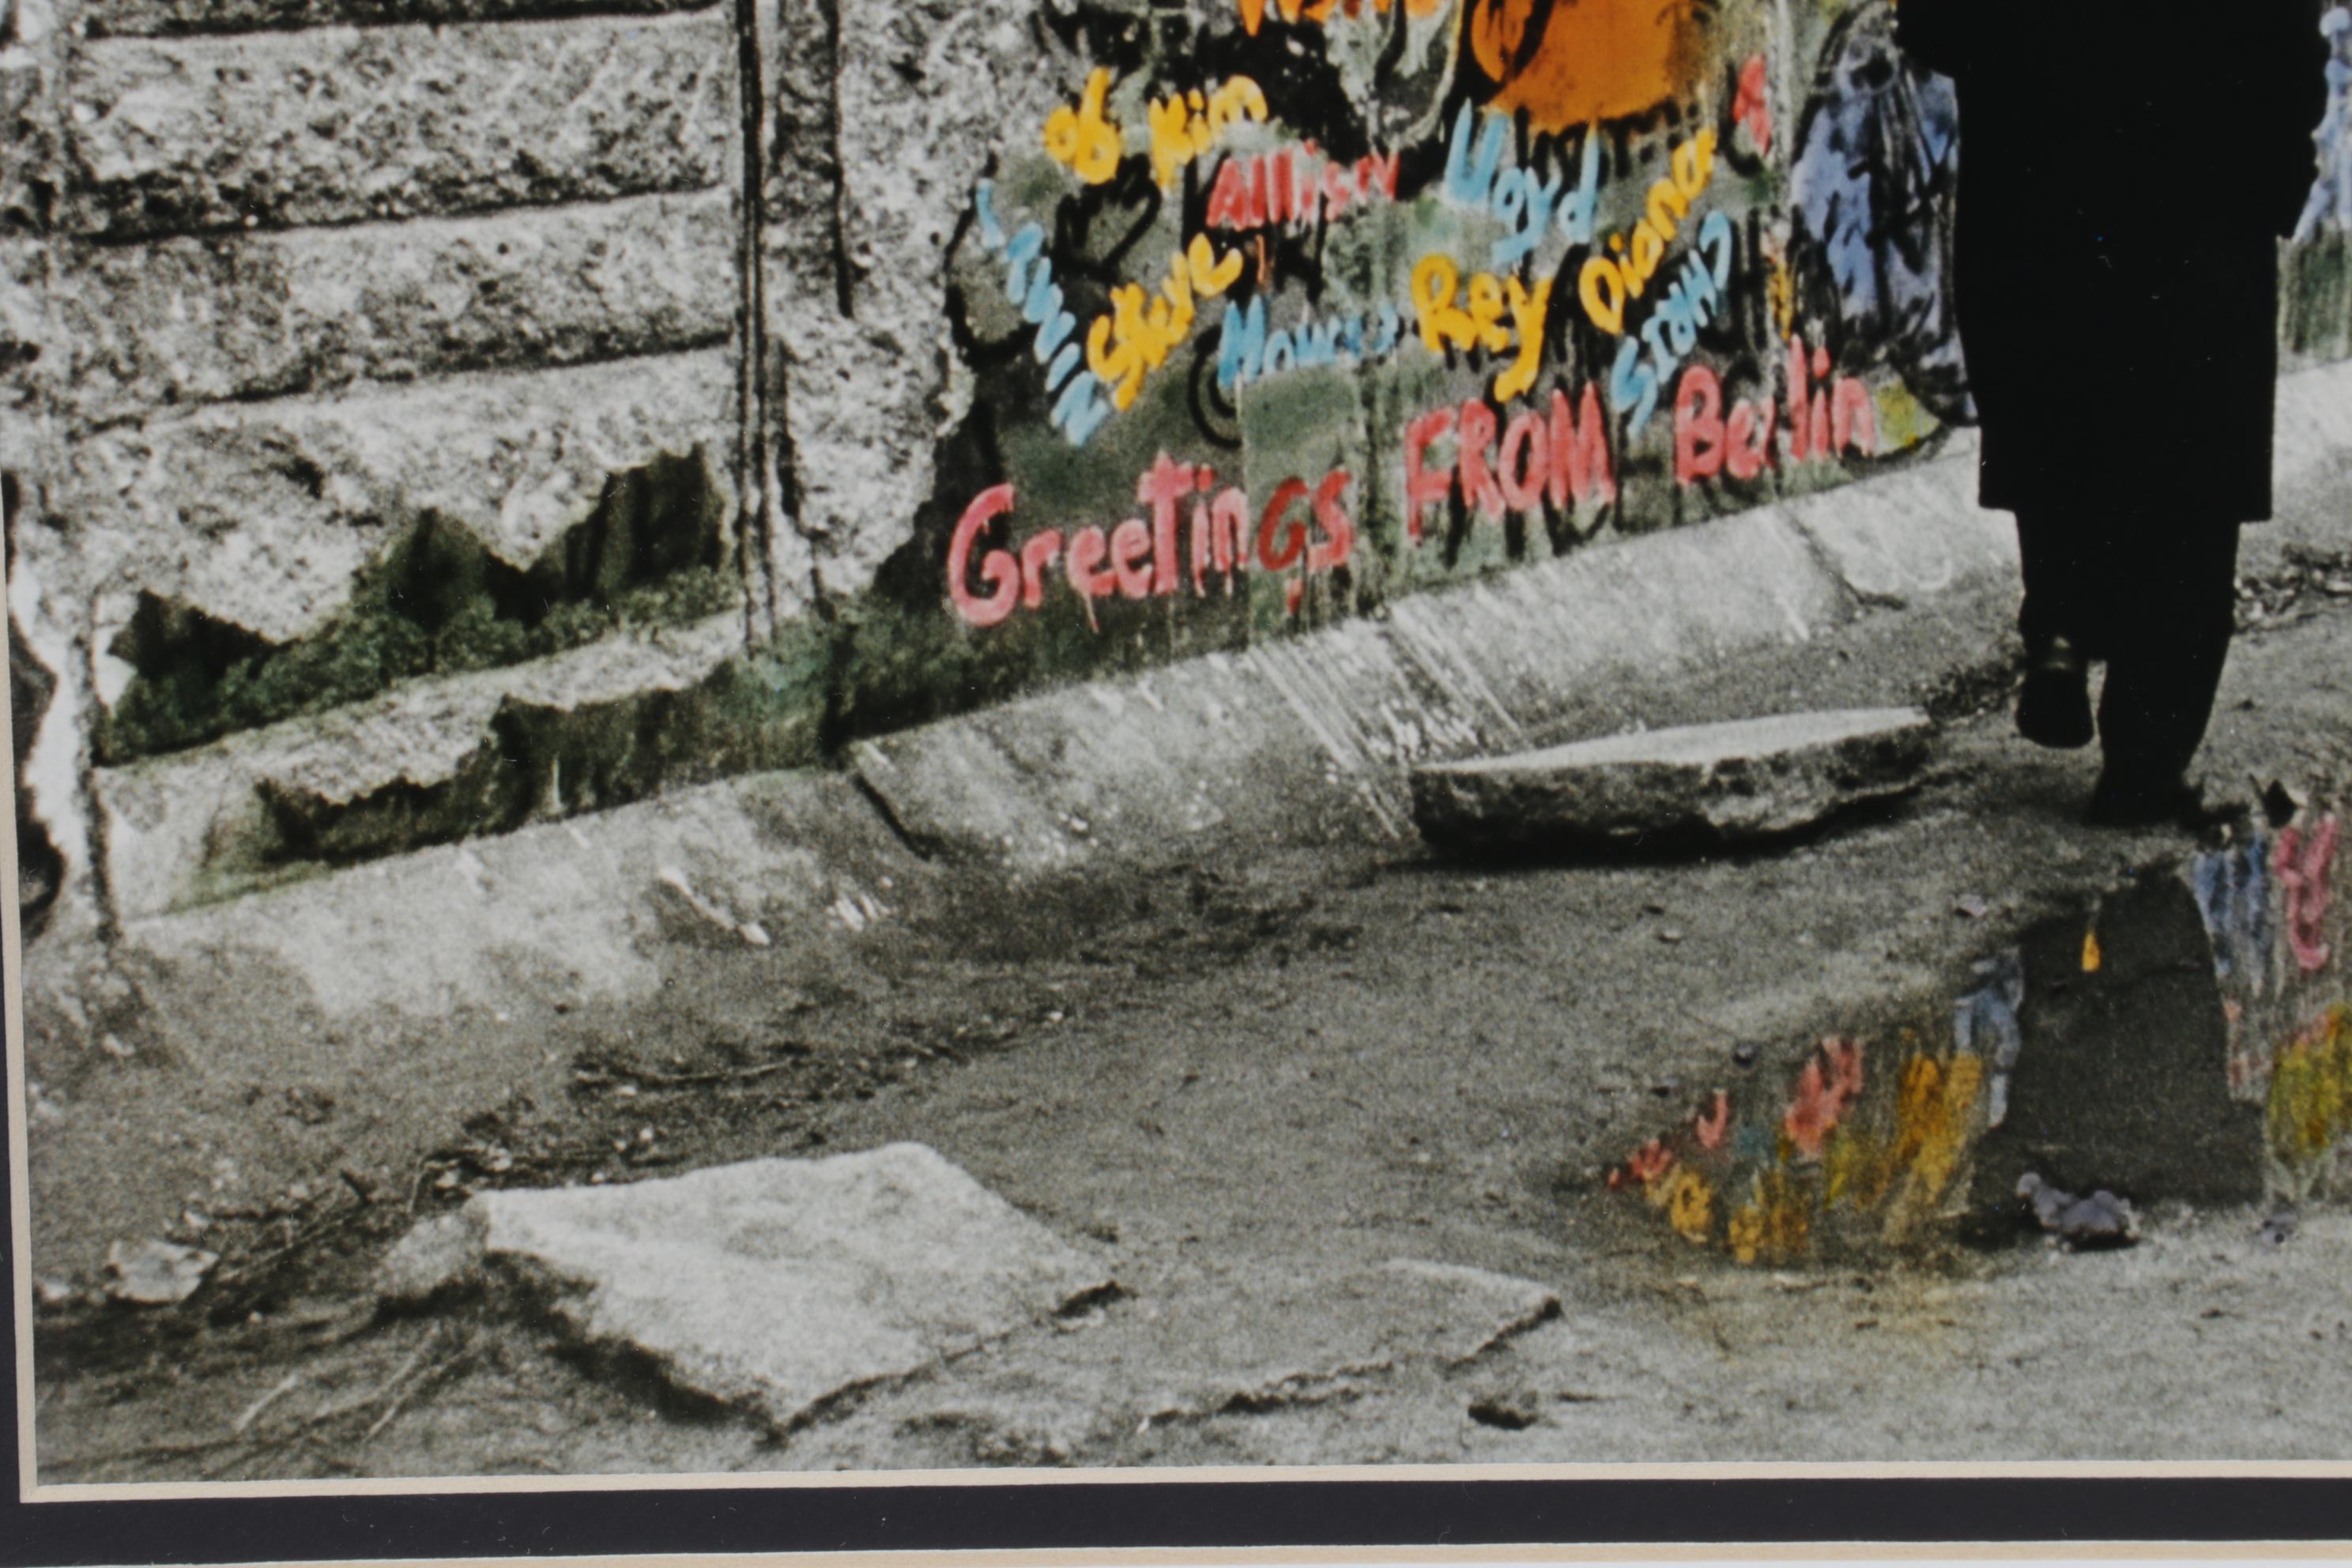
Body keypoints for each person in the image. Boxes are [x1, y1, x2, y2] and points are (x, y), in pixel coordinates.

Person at [1896, 2, 2331, 826]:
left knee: (2057, 426)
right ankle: (2145, 759)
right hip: (2201, 197)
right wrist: (2279, 176)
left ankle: (2061, 620)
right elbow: (2288, 38)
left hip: (2039, 189)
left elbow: (1935, 25)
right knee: (2191, 481)